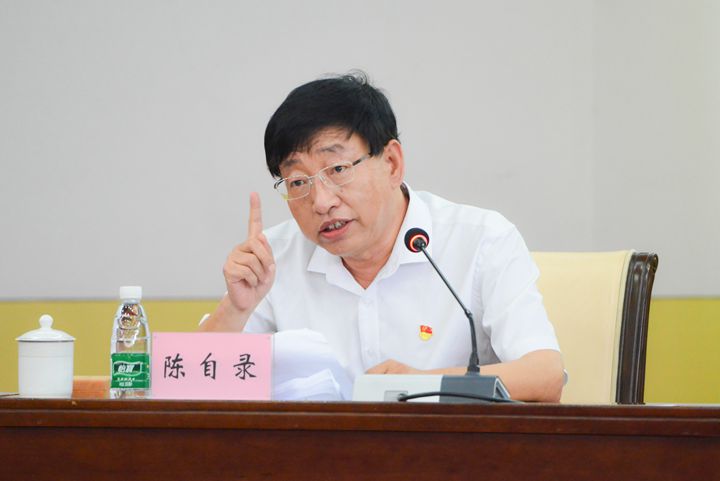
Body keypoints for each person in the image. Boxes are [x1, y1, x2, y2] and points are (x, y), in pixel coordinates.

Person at [200, 71, 565, 402]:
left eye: (338, 169)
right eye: (298, 182)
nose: (321, 202)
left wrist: (420, 385)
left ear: (392, 163)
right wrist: (236, 309)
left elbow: (544, 376)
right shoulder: (273, 258)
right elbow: (194, 381)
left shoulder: (481, 241)